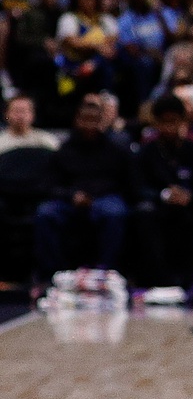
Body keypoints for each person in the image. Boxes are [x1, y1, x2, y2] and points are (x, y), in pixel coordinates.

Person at [36, 94, 133, 281]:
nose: (89, 126)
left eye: (94, 121)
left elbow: (126, 184)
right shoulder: (64, 150)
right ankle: (54, 275)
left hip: (104, 196)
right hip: (70, 200)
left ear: (102, 122)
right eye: (85, 120)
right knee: (45, 213)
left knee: (114, 212)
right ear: (76, 121)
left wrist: (94, 195)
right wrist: (72, 195)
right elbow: (50, 185)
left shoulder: (116, 150)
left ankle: (108, 272)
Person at [133, 92, 193, 287]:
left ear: (183, 121)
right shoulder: (146, 152)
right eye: (164, 122)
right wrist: (164, 195)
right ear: (156, 123)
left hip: (189, 207)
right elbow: (136, 187)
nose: (169, 128)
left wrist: (190, 196)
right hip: (159, 207)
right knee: (144, 211)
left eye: (174, 121)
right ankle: (159, 280)